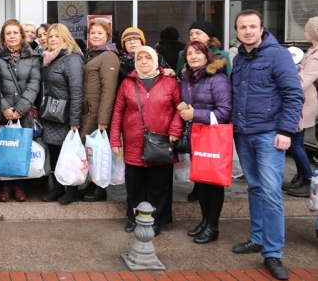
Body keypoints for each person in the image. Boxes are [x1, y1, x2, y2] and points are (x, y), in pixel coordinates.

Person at [230, 9, 303, 280]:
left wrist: (285, 130)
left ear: (262, 29)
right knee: (255, 188)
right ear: (236, 31)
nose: (248, 31)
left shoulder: (278, 55)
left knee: (271, 193)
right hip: (244, 134)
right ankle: (257, 238)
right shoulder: (239, 59)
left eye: (252, 26)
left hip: (269, 135)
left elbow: (294, 95)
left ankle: (273, 253)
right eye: (242, 27)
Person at [110, 46, 182, 237]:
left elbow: (179, 108)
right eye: (139, 58)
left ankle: (156, 220)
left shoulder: (169, 81)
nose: (143, 61)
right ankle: (135, 218)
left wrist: (175, 128)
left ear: (155, 60)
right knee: (135, 185)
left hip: (161, 141)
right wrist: (115, 138)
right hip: (134, 142)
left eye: (147, 58)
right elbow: (118, 111)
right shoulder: (127, 83)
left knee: (159, 185)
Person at [178, 41, 232, 244]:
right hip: (196, 135)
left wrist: (195, 114)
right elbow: (183, 102)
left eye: (197, 53)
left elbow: (225, 112)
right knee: (201, 181)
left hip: (212, 137)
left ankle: (213, 226)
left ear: (206, 55)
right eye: (189, 53)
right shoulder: (188, 78)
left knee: (213, 183)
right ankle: (204, 221)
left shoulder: (218, 78)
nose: (193, 57)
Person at [0, 19, 41, 202]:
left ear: (21, 35)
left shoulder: (33, 56)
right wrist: (4, 107)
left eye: (15, 32)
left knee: (21, 147)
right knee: (4, 148)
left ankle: (19, 185)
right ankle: (4, 186)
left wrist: (20, 108)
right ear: (3, 37)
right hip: (2, 111)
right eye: (8, 33)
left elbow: (34, 83)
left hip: (24, 111)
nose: (12, 36)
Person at [40, 24, 84, 205]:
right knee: (56, 153)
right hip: (51, 114)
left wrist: (74, 120)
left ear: (65, 38)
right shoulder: (50, 58)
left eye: (57, 36)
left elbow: (77, 90)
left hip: (65, 116)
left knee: (69, 155)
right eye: (50, 37)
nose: (53, 39)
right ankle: (58, 187)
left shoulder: (71, 58)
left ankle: (72, 189)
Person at [80, 18, 120, 202]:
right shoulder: (92, 53)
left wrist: (103, 119)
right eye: (93, 33)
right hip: (88, 111)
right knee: (90, 150)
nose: (95, 36)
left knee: (98, 152)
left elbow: (109, 89)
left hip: (97, 114)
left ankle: (100, 188)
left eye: (99, 33)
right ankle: (92, 183)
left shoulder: (109, 55)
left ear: (107, 36)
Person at [283, 17, 318, 197]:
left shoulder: (317, 55)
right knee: (297, 143)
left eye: (306, 29)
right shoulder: (312, 50)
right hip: (301, 103)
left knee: (295, 143)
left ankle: (308, 179)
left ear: (313, 33)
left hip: (303, 105)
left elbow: (304, 81)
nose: (303, 32)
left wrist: (290, 71)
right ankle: (302, 177)